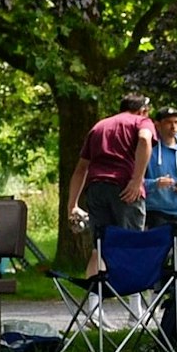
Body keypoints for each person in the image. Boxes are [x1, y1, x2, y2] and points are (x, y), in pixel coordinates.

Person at [66, 93, 157, 278]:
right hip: (124, 188)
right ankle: (134, 302)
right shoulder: (142, 122)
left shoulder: (99, 126)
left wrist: (72, 205)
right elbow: (145, 140)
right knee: (131, 244)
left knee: (99, 246)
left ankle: (93, 301)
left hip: (96, 188)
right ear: (143, 110)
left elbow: (81, 169)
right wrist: (137, 180)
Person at [143, 107, 177, 229]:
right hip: (155, 212)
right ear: (157, 125)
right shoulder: (148, 148)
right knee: (159, 248)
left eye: (176, 122)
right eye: (169, 122)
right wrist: (155, 184)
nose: (173, 127)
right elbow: (136, 181)